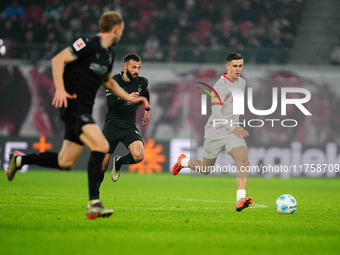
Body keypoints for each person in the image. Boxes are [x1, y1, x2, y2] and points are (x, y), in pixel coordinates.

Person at [6, 11, 150, 219]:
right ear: (116, 29)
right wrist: (60, 89)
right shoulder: (87, 43)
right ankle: (94, 203)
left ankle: (19, 161)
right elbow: (58, 60)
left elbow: (109, 83)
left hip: (84, 108)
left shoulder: (108, 54)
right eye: (122, 30)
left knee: (65, 162)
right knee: (101, 146)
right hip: (72, 104)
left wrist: (133, 99)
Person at [172, 52, 253, 212]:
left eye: (240, 66)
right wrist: (233, 126)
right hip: (215, 131)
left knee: (243, 162)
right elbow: (216, 112)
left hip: (232, 132)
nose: (238, 69)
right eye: (235, 66)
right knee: (205, 169)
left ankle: (240, 199)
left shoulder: (242, 83)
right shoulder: (219, 86)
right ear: (227, 66)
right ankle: (182, 162)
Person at [101, 54, 150, 181]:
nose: (136, 71)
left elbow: (145, 93)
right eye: (133, 67)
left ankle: (119, 162)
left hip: (129, 126)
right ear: (125, 66)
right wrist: (127, 97)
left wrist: (147, 110)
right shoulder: (114, 81)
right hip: (112, 126)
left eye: (139, 67)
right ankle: (95, 197)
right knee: (102, 165)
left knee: (139, 155)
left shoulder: (142, 82)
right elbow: (111, 105)